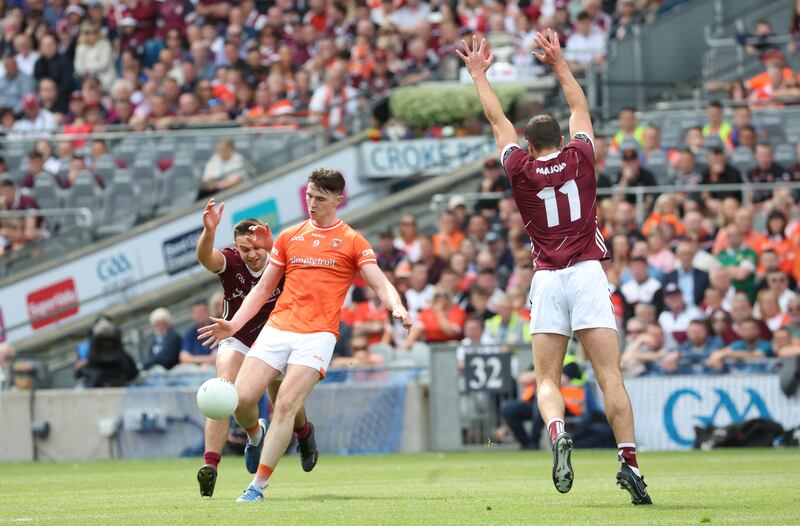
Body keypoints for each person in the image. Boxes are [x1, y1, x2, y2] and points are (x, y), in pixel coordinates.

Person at [458, 31, 650, 503]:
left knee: (547, 378)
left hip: (546, 278)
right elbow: (579, 107)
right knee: (610, 376)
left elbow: (495, 117)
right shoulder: (581, 157)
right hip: (586, 271)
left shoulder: (518, 168)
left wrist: (480, 74)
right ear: (562, 138)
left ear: (526, 143)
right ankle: (629, 462)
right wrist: (560, 64)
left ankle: (557, 431)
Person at [197, 168, 411, 502]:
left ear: (339, 200)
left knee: (284, 403)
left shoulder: (352, 240)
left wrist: (396, 306)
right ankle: (259, 434)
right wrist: (234, 324)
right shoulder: (289, 236)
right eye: (309, 195)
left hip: (318, 335)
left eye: (320, 198)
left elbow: (379, 280)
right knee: (241, 400)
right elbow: (263, 288)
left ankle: (258, 486)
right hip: (278, 328)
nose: (312, 203)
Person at [193, 198, 316, 498]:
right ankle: (214, 463)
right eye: (245, 249)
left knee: (284, 399)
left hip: (276, 337)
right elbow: (206, 258)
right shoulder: (231, 261)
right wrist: (209, 231)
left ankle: (304, 433)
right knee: (224, 391)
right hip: (237, 335)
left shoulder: (282, 260)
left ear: (266, 243)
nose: (251, 255)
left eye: (256, 248)